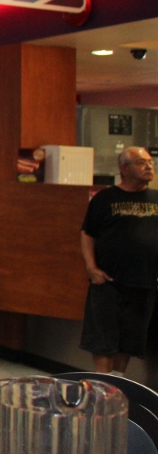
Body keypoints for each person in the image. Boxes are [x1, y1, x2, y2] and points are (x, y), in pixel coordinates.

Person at [80, 146, 158, 375]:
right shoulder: (105, 198)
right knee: (103, 339)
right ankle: (103, 385)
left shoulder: (155, 198)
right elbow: (87, 233)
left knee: (129, 340)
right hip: (109, 281)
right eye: (141, 162)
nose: (149, 166)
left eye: (150, 162)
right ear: (124, 168)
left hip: (144, 282)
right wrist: (91, 268)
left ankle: (118, 382)